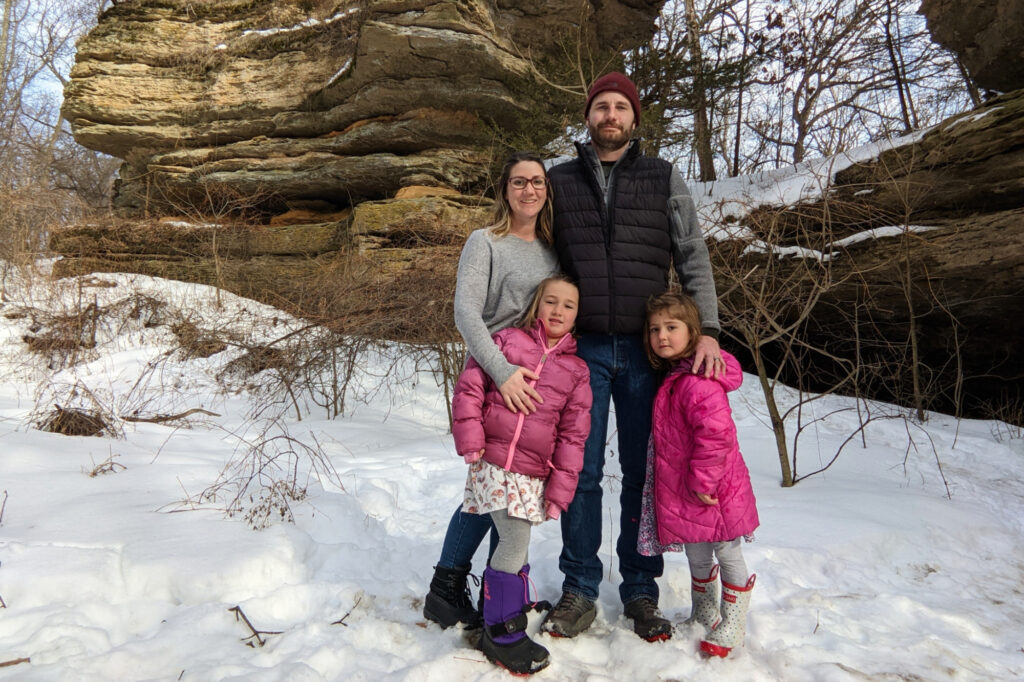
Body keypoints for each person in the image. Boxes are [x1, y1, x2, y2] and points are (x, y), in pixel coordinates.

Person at [541, 71, 725, 642]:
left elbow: (691, 254)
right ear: (588, 116)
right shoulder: (559, 180)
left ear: (634, 118)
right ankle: (579, 589)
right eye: (601, 107)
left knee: (645, 475)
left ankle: (642, 591)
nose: (611, 115)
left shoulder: (663, 176)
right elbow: (538, 256)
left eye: (621, 107)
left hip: (650, 351)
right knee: (583, 471)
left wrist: (709, 329)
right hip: (584, 347)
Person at [423, 152, 560, 629]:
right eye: (519, 182)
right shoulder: (485, 242)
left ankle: (473, 590)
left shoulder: (553, 249)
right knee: (493, 488)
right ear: (505, 189)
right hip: (492, 379)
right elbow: (466, 313)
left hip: (536, 388)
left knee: (497, 492)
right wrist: (502, 374)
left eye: (538, 182)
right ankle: (451, 587)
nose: (529, 190)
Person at [453, 275, 592, 674]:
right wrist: (471, 438)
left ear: (578, 315)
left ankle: (508, 605)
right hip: (493, 460)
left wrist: (560, 489)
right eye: (551, 301)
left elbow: (573, 436)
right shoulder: (509, 341)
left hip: (532, 472)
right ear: (537, 304)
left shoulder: (576, 371)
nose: (558, 311)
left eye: (568, 305)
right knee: (514, 537)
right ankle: (500, 632)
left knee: (519, 539)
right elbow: (471, 387)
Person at [638, 291, 759, 657]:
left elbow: (716, 434)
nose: (662, 336)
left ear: (693, 332)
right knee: (697, 552)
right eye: (655, 329)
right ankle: (704, 612)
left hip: (714, 488)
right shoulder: (676, 376)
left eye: (672, 327)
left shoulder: (698, 380)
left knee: (727, 550)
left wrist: (704, 480)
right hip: (688, 489)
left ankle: (733, 622)